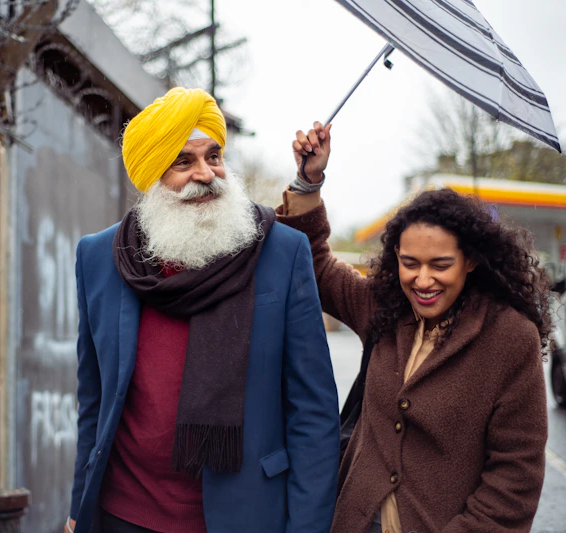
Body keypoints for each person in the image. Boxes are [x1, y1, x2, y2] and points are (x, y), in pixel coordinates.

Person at [66, 88, 340, 533]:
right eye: (183, 162)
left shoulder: (280, 252)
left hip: (246, 515)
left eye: (214, 157)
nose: (206, 174)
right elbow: (93, 401)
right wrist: (80, 507)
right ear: (152, 175)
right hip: (125, 514)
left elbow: (313, 412)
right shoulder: (99, 257)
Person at [279, 121, 550, 532]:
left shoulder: (510, 338)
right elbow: (315, 263)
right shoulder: (385, 308)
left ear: (471, 260)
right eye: (410, 264)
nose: (423, 280)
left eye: (440, 265)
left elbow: (515, 478)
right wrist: (308, 180)